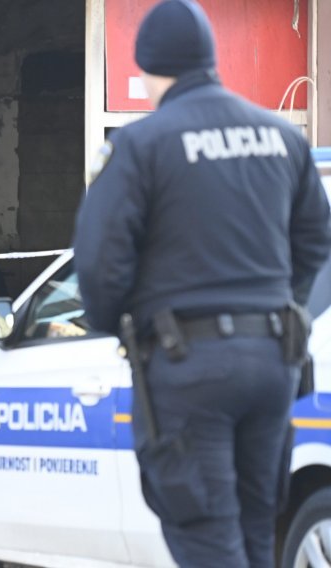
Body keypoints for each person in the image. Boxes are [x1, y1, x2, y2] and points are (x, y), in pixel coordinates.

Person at [73, 1, 331, 566]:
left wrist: (113, 322)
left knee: (207, 538)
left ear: (147, 67)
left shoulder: (142, 145)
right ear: (209, 61)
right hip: (272, 365)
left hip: (189, 367)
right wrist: (280, 304)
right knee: (256, 532)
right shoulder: (279, 137)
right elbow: (316, 239)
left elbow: (97, 263)